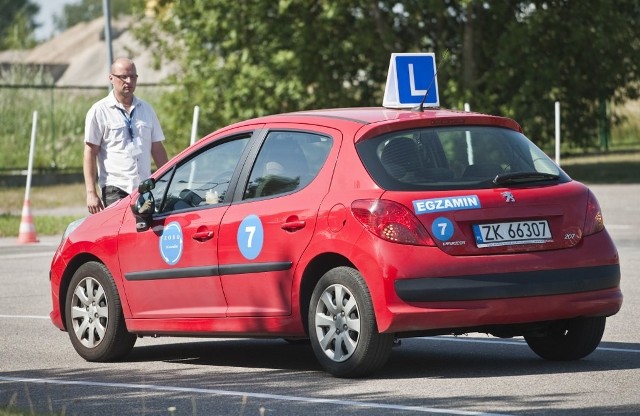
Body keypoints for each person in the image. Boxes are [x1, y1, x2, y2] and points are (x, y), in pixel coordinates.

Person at [83, 57, 169, 214]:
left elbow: (157, 148)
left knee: (143, 233)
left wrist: (168, 181)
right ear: (111, 78)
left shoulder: (146, 110)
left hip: (144, 187)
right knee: (119, 235)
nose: (128, 81)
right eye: (123, 76)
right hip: (115, 188)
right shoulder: (99, 111)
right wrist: (91, 193)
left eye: (133, 77)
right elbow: (90, 152)